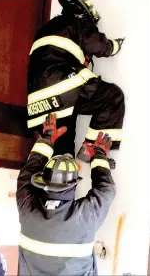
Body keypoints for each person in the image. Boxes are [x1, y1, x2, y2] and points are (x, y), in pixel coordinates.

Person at [27, 0, 125, 166]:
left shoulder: (43, 31)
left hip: (39, 105)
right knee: (112, 97)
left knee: (62, 158)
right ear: (82, 15)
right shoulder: (77, 23)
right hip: (63, 89)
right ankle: (92, 150)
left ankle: (61, 183)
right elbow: (99, 46)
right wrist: (115, 45)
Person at [16, 114, 116, 275]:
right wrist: (47, 138)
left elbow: (106, 190)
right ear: (73, 184)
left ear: (44, 182)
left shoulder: (85, 218)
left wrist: (99, 154)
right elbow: (25, 178)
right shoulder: (26, 210)